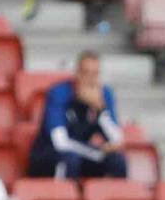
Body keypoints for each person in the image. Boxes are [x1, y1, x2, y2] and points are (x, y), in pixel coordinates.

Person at [28, 51, 128, 180]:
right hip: (49, 155)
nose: (90, 79)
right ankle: (63, 198)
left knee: (117, 160)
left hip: (83, 154)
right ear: (77, 73)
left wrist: (100, 110)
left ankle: (113, 198)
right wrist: (96, 152)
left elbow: (117, 140)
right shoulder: (59, 93)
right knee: (70, 158)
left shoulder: (104, 94)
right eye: (85, 73)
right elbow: (60, 142)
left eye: (95, 74)